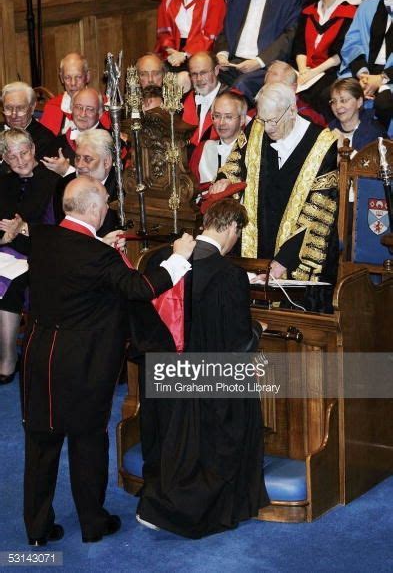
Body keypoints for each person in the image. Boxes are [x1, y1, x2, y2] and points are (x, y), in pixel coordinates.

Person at [22, 175, 195, 545]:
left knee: (40, 445)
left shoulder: (43, 239)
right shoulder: (99, 257)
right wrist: (179, 257)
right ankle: (92, 524)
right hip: (83, 363)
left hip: (39, 356)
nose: (107, 207)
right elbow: (141, 288)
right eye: (104, 201)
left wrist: (101, 246)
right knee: (87, 443)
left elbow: (74, 260)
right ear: (94, 209)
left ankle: (36, 532)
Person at [137, 198, 269, 538]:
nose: (235, 240)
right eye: (238, 232)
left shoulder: (164, 258)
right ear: (230, 227)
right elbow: (237, 342)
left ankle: (153, 502)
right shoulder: (229, 275)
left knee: (172, 444)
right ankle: (181, 510)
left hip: (164, 372)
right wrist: (259, 331)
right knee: (233, 425)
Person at [210, 82, 339, 293]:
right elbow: (235, 163)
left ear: (292, 111)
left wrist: (283, 261)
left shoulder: (322, 145)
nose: (267, 127)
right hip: (253, 247)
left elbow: (318, 212)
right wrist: (225, 179)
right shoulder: (256, 128)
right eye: (263, 119)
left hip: (295, 254)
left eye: (273, 121)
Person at [0, 129, 59, 384]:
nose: (20, 161)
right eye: (12, 157)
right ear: (4, 158)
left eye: (24, 153)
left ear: (33, 150)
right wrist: (3, 238)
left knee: (10, 283)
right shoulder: (3, 182)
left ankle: (8, 358)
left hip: (40, 251)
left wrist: (20, 229)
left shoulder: (52, 180)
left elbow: (55, 225)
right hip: (6, 248)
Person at [215, 0, 305, 102]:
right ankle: (200, 118)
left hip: (267, 64)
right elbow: (226, 28)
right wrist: (222, 54)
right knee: (205, 74)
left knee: (242, 85)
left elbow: (290, 34)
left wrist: (259, 61)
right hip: (233, 61)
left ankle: (240, 119)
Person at [293, 0, 357, 120]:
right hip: (304, 69)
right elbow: (299, 45)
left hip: (332, 70)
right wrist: (303, 70)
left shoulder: (350, 13)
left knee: (320, 94)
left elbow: (342, 52)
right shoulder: (307, 11)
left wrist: (312, 73)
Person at [339, 0, 393, 129]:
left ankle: (382, 146)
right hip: (364, 68)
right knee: (331, 94)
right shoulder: (368, 5)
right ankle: (345, 142)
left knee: (384, 103)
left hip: (390, 74)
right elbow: (352, 42)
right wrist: (362, 74)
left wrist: (382, 78)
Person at [52, 128, 121, 237]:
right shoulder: (65, 185)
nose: (79, 165)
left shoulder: (122, 189)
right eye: (77, 158)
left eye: (87, 159)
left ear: (106, 162)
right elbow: (63, 230)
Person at [155, 0, 226, 70]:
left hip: (201, 51)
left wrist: (184, 54)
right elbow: (163, 31)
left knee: (181, 77)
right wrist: (170, 50)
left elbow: (210, 36)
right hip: (172, 50)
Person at [41, 88, 108, 176]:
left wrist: (67, 171)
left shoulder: (110, 144)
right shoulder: (58, 143)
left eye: (90, 109)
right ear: (72, 109)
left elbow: (105, 185)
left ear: (100, 113)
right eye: (78, 107)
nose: (83, 114)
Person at [39, 52, 110, 135]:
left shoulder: (103, 105)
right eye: (67, 77)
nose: (73, 83)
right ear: (61, 78)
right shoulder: (52, 107)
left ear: (87, 76)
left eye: (78, 77)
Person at [189, 91, 248, 183]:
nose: (221, 123)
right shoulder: (203, 149)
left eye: (228, 117)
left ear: (242, 120)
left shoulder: (251, 151)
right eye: (217, 116)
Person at [0, 82, 56, 176]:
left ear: (32, 108)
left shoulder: (45, 139)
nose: (14, 115)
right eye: (8, 108)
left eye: (20, 108)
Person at [328, 77, 386, 152]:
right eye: (334, 101)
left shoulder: (374, 133)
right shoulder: (330, 130)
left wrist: (342, 149)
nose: (338, 106)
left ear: (359, 102)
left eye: (343, 100)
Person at [182, 51, 223, 147]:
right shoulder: (185, 100)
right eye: (194, 74)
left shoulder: (233, 101)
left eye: (203, 73)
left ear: (216, 70)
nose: (199, 79)